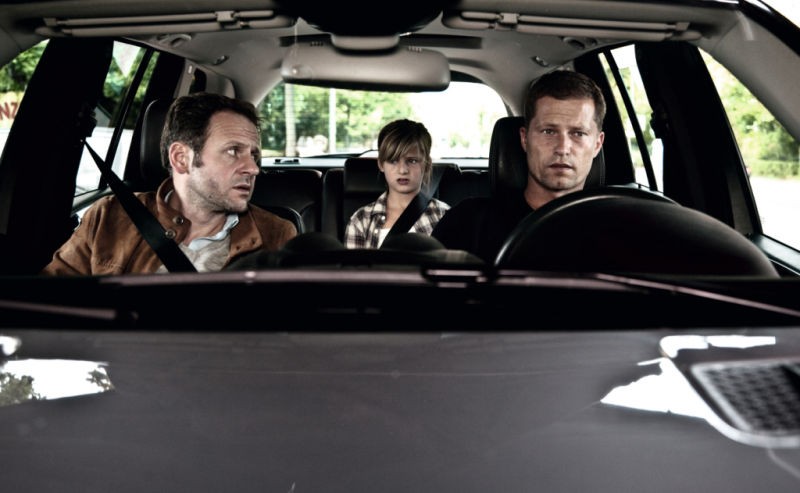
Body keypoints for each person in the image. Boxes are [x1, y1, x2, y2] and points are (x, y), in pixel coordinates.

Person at [42, 92, 297, 275]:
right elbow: (48, 304)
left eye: (253, 154)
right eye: (233, 151)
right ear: (181, 158)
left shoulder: (276, 235)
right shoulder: (109, 217)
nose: (253, 168)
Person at [431, 70, 606, 263]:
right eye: (548, 131)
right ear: (524, 139)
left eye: (578, 133)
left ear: (597, 144)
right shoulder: (467, 223)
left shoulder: (619, 227)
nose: (563, 148)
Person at [344, 119, 450, 249]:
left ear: (427, 164)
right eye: (393, 161)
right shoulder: (362, 220)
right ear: (381, 164)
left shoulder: (444, 215)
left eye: (412, 161)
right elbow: (354, 263)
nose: (403, 170)